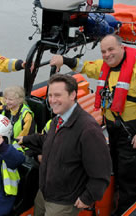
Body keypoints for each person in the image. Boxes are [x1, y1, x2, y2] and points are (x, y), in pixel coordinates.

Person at [50, 34, 136, 215]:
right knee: (114, 168)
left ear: (121, 48)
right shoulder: (105, 67)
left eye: (111, 50)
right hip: (113, 129)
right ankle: (112, 199)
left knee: (128, 178)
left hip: (133, 131)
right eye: (103, 51)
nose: (107, 54)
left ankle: (126, 210)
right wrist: (64, 59)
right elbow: (84, 67)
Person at [19, 74, 112, 216]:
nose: (52, 100)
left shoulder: (88, 130)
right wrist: (25, 140)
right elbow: (48, 140)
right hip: (44, 193)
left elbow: (101, 171)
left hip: (63, 202)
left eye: (57, 95)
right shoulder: (58, 119)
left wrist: (88, 197)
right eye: (50, 95)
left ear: (73, 94)